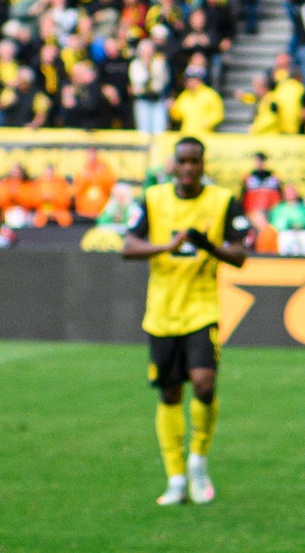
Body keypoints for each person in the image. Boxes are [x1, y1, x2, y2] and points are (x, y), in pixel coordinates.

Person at [122, 136, 250, 506]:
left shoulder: (222, 201)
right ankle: (175, 477)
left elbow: (240, 255)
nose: (189, 168)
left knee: (204, 384)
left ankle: (198, 460)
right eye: (184, 161)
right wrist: (167, 247)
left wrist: (208, 245)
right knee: (170, 393)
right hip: (162, 313)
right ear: (174, 165)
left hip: (202, 309)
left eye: (196, 161)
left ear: (203, 164)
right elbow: (128, 246)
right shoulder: (152, 199)